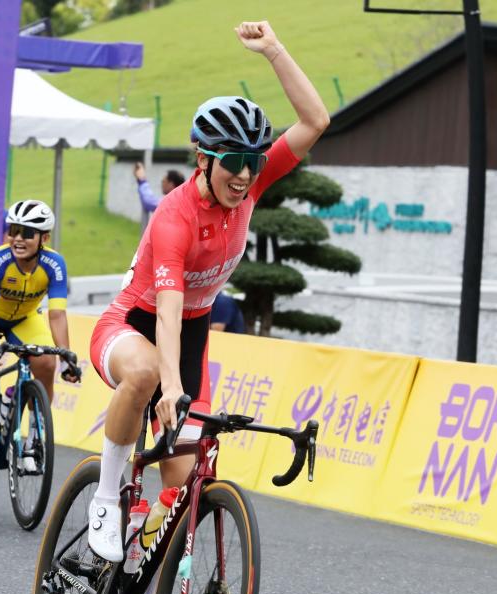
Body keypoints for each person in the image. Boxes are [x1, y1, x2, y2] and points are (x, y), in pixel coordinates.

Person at [85, 20, 330, 564]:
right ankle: (105, 497)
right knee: (147, 375)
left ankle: (136, 581)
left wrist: (274, 51)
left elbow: (316, 120)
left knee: (185, 479)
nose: (245, 175)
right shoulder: (174, 218)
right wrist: (171, 387)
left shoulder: (251, 186)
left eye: (254, 161)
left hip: (191, 332)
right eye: (233, 162)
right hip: (134, 323)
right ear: (204, 159)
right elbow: (167, 311)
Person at [0, 200, 80, 465]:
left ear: (44, 238)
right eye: (13, 230)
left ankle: (34, 439)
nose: (18, 238)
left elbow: (56, 315)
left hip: (23, 317)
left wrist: (68, 356)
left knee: (46, 362)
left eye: (27, 233)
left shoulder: (54, 264)